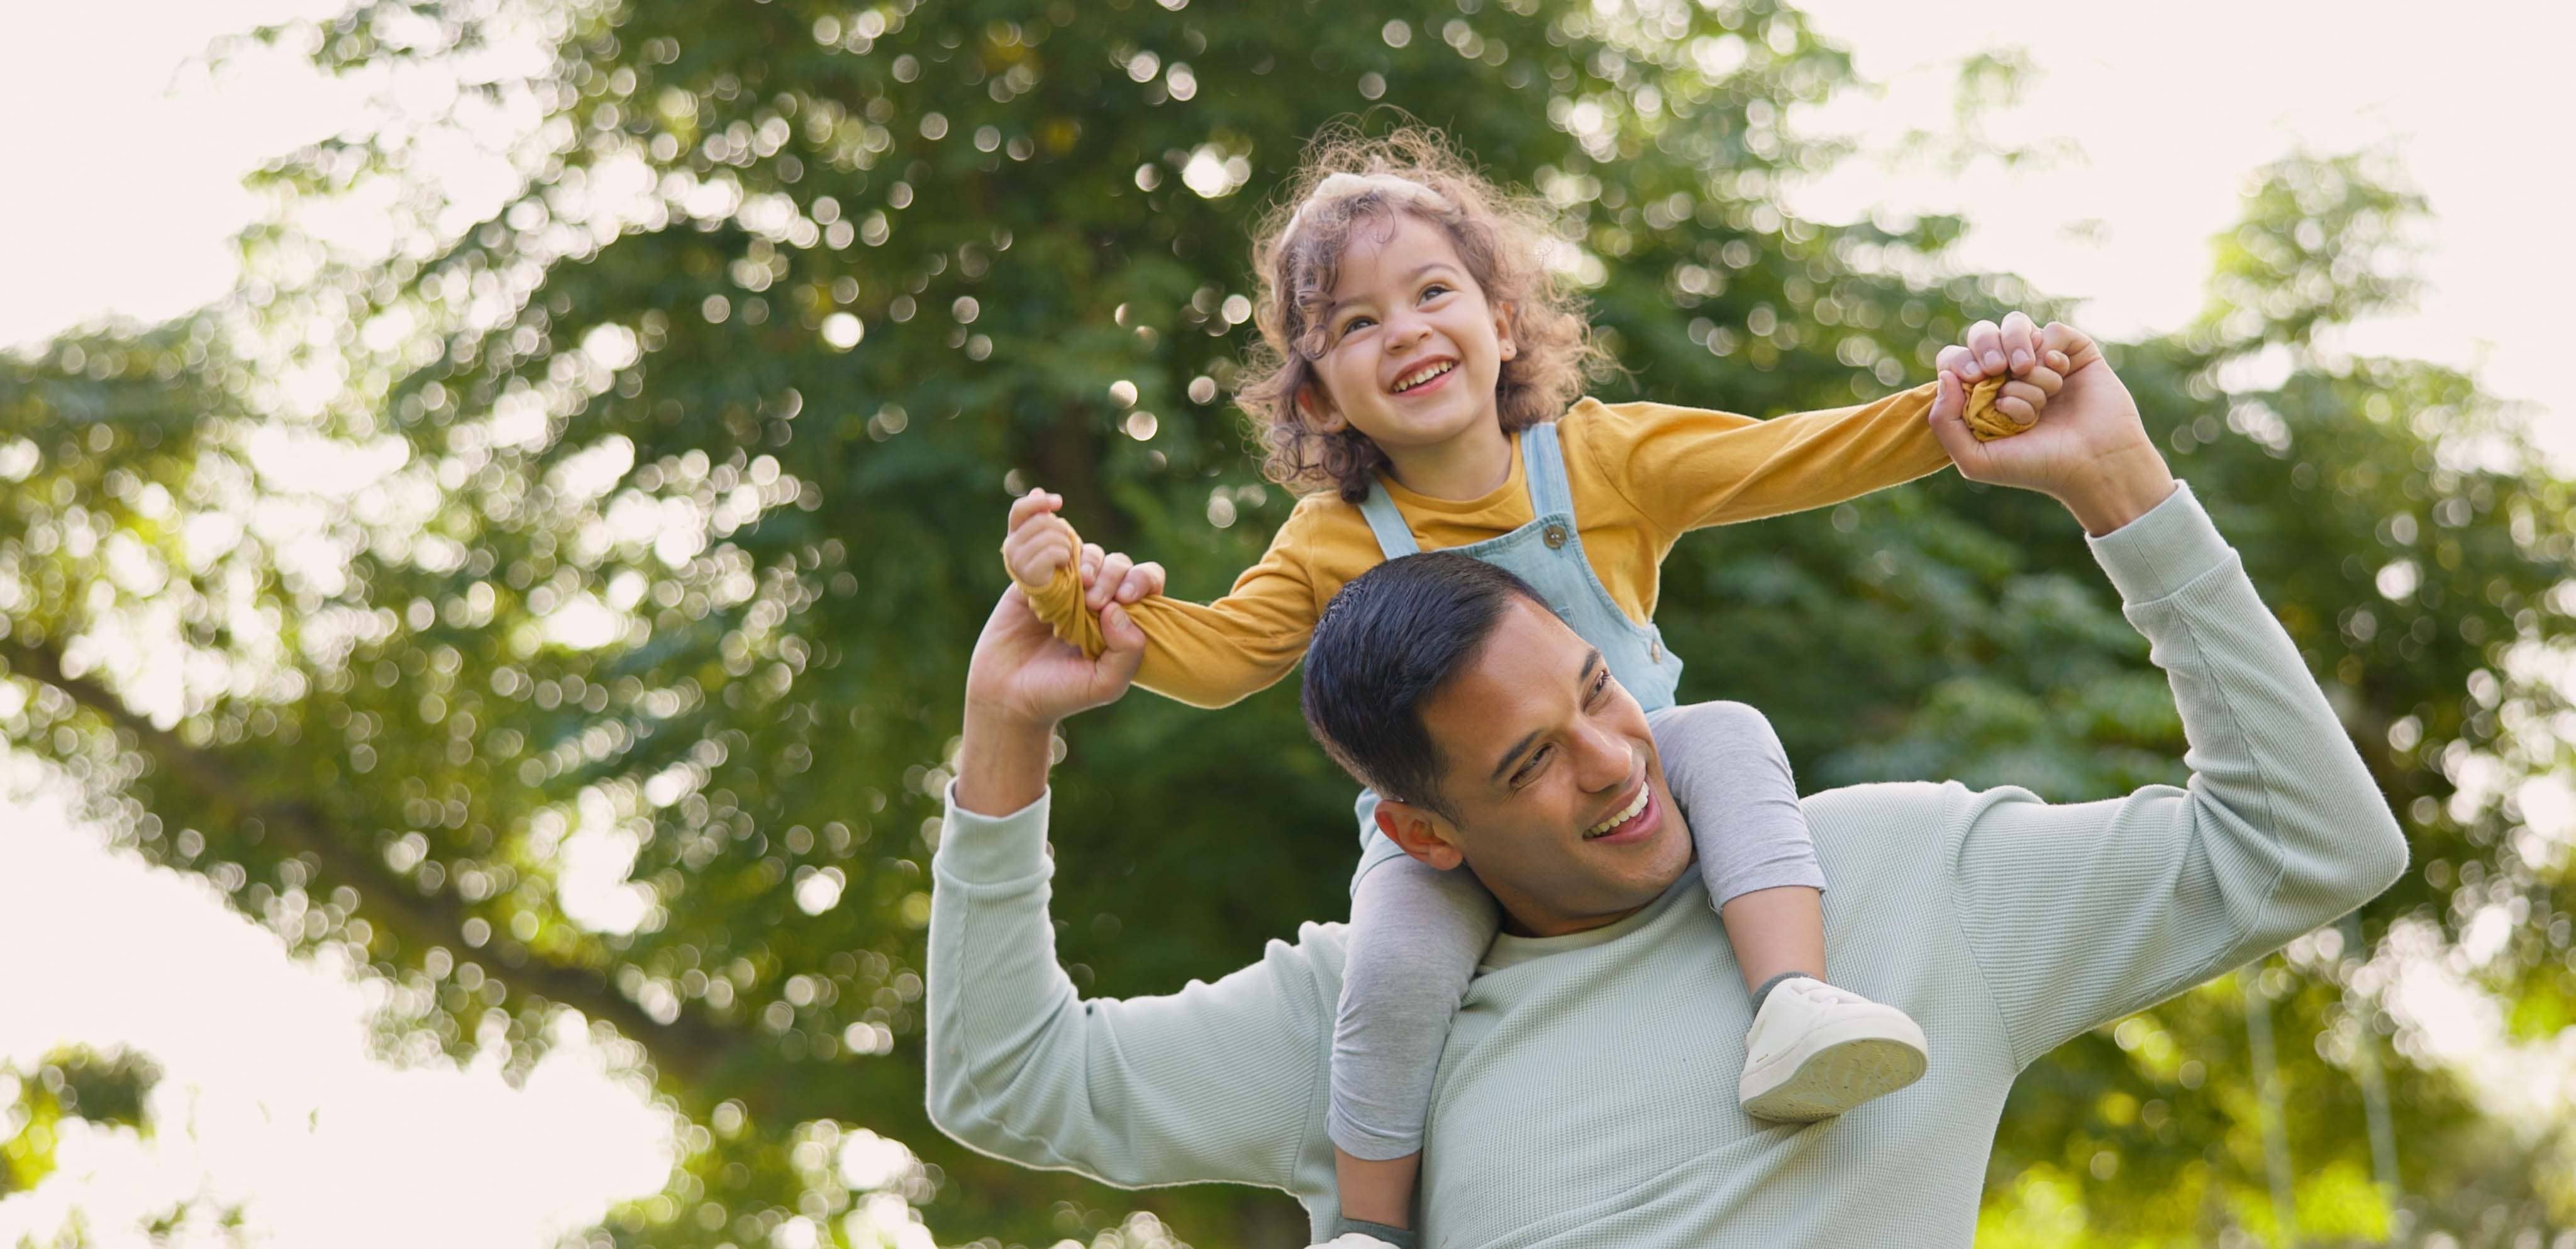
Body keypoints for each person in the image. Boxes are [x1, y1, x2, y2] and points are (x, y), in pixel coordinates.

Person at [927, 326, 2409, 1248]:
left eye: (1593, 692)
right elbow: (1004, 1082)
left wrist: (2120, 491)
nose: (1615, 759)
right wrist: (1007, 731)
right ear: (1419, 828)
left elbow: (2309, 842)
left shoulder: (1900, 879)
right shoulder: (1359, 1018)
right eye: (1528, 764)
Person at [997, 128, 2065, 1245]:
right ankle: (1369, 1224)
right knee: (1391, 970)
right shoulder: (1330, 540)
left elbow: (1795, 453)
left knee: (1733, 734)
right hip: (1455, 839)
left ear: (1500, 320)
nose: (1404, 329)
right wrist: (1074, 595)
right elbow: (1216, 659)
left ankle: (1792, 1001)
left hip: (1637, 782)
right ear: (1318, 400)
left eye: (1431, 292)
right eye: (1357, 324)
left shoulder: (1605, 459)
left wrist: (1959, 416)